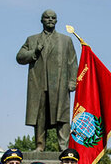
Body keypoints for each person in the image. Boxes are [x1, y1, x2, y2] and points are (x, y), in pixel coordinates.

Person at [16, 9, 78, 150]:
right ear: (41, 20)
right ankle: (39, 146)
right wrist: (34, 52)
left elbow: (73, 62)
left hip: (60, 85)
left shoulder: (65, 40)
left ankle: (63, 146)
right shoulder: (32, 40)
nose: (50, 20)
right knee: (39, 116)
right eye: (47, 17)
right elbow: (20, 57)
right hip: (39, 84)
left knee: (62, 116)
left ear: (56, 21)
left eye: (53, 18)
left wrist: (72, 81)